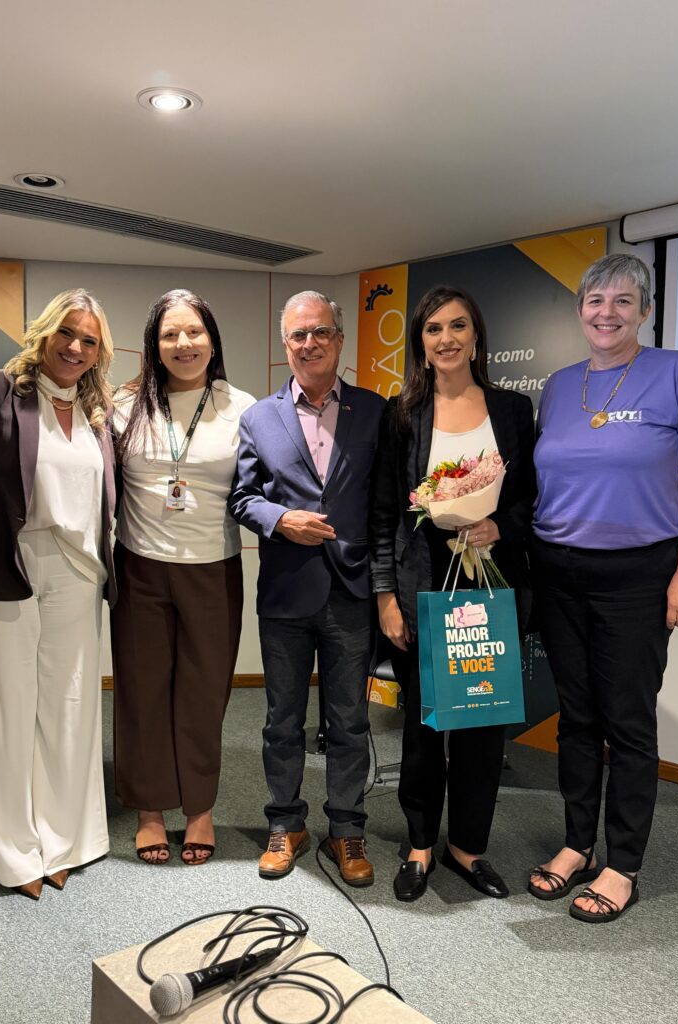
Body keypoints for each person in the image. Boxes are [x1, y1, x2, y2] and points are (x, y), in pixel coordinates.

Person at [0, 289, 116, 900]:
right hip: (8, 567)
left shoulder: (97, 413)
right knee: (3, 710)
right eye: (67, 332)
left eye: (89, 340)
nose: (75, 347)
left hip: (79, 573)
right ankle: (15, 851)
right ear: (44, 333)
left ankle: (63, 840)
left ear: (99, 352)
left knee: (69, 709)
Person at [528, 253, 678, 922]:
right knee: (577, 716)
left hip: (638, 573)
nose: (607, 312)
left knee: (626, 720)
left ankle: (622, 863)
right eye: (596, 300)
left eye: (624, 301)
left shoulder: (676, 372)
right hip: (558, 569)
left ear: (645, 312)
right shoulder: (560, 385)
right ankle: (577, 844)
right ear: (580, 311)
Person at [370, 285, 535, 902]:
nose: (447, 338)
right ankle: (419, 843)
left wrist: (499, 526)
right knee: (423, 722)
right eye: (434, 328)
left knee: (483, 724)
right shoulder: (401, 414)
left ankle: (467, 846)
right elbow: (385, 511)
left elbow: (530, 497)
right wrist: (385, 597)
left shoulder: (512, 410)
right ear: (420, 341)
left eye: (458, 325)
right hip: (423, 581)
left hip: (492, 578)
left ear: (476, 335)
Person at [229, 290, 385, 886]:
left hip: (351, 590)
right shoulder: (258, 418)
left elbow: (384, 504)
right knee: (281, 720)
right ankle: (285, 823)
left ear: (340, 340)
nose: (310, 343)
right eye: (299, 334)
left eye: (321, 332)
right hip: (286, 593)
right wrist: (280, 520)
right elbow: (242, 498)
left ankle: (347, 828)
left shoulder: (375, 412)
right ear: (285, 343)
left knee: (349, 721)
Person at [112, 289, 255, 866]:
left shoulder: (241, 407)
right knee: (142, 689)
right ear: (154, 344)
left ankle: (199, 809)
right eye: (170, 334)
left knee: (204, 692)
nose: (183, 343)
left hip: (213, 568)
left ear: (212, 340)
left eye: (193, 331)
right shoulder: (125, 405)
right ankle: (149, 811)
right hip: (140, 566)